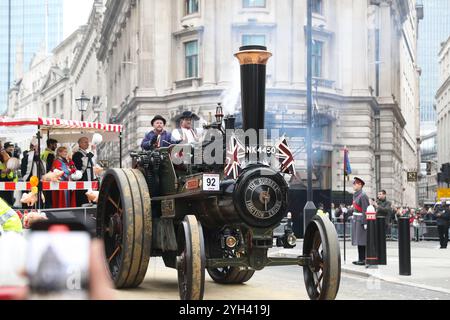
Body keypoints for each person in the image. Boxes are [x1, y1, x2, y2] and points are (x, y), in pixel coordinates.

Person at [351, 177, 370, 266]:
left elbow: (365, 210)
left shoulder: (363, 195)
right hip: (356, 220)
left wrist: (365, 222)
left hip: (361, 221)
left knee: (362, 241)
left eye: (355, 184)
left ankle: (363, 259)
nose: (353, 185)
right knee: (359, 241)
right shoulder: (356, 195)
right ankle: (360, 258)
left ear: (360, 185)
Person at [73, 137, 96, 207]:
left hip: (88, 179)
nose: (87, 144)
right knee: (83, 198)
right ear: (79, 144)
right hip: (82, 180)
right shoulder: (77, 154)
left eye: (88, 142)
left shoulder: (86, 153)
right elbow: (79, 168)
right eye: (85, 142)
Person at [41, 139, 58, 208]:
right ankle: (49, 208)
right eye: (55, 145)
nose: (56, 146)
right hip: (49, 176)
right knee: (49, 195)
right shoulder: (50, 154)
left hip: (44, 175)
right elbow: (51, 167)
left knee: (45, 194)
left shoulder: (44, 153)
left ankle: (46, 207)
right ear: (51, 144)